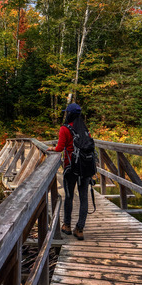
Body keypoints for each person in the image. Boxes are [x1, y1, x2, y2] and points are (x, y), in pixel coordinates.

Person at [48, 103, 90, 240]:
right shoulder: (84, 128)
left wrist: (52, 149)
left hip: (70, 167)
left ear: (69, 114)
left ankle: (66, 225)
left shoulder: (65, 129)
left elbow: (60, 148)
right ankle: (80, 229)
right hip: (85, 168)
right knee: (84, 198)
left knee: (69, 196)